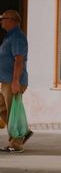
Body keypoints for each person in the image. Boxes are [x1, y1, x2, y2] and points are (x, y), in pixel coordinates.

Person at [0, 10, 33, 153]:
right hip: (6, 81)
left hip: (13, 81)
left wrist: (15, 81)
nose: (1, 20)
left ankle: (16, 143)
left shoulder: (17, 37)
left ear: (11, 20)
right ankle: (22, 132)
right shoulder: (10, 36)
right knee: (3, 109)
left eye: (2, 18)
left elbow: (19, 60)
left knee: (13, 110)